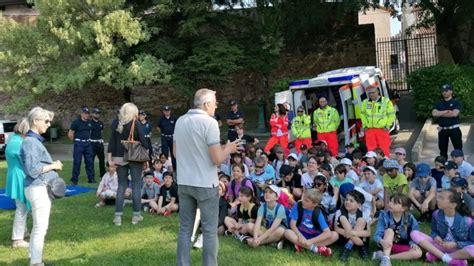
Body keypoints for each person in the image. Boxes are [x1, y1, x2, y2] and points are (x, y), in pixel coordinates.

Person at [174, 88, 239, 266]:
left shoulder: (180, 121)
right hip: (204, 183)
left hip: (184, 181)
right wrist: (229, 148)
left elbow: (175, 152)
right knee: (210, 230)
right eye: (215, 102)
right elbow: (217, 158)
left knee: (185, 228)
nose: (216, 106)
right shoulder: (210, 123)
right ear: (206, 104)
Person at [20, 107, 63, 266]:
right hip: (38, 187)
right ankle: (36, 262)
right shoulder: (31, 142)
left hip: (36, 187)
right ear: (35, 121)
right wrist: (53, 166)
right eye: (46, 121)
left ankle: (33, 257)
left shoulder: (32, 141)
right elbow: (32, 170)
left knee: (38, 227)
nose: (49, 124)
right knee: (40, 228)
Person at [107, 102, 150, 226]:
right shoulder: (135, 124)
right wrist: (147, 158)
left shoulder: (116, 124)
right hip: (134, 157)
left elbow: (111, 142)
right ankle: (136, 216)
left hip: (119, 158)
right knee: (136, 185)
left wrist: (109, 159)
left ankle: (117, 217)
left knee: (121, 185)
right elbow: (144, 142)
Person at [410, 189, 474, 265]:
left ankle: (439, 256)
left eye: (441, 198)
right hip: (440, 246)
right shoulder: (436, 214)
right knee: (414, 233)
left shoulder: (468, 221)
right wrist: (436, 236)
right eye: (438, 197)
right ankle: (447, 258)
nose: (437, 199)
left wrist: (456, 244)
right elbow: (434, 231)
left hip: (459, 249)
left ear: (453, 205)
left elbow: (471, 242)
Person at [284, 189, 337, 256]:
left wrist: (310, 241)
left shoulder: (318, 212)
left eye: (307, 201)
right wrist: (300, 236)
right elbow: (292, 225)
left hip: (314, 236)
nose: (303, 201)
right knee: (287, 232)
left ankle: (302, 246)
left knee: (335, 235)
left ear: (314, 204)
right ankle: (316, 249)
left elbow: (327, 232)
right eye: (304, 198)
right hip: (300, 233)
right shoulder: (298, 205)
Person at [373, 194, 422, 266]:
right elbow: (377, 235)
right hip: (385, 244)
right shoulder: (384, 216)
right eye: (390, 201)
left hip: (401, 245)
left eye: (394, 203)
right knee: (389, 230)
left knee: (418, 253)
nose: (390, 204)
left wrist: (412, 243)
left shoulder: (409, 217)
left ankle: (384, 257)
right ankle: (386, 260)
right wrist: (382, 241)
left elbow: (415, 233)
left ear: (403, 208)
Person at [5, 119, 30, 248]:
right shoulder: (18, 143)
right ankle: (17, 239)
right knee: (21, 207)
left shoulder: (14, 140)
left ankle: (23, 232)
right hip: (19, 176)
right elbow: (27, 163)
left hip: (16, 174)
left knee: (22, 206)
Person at [335, 190, 371, 261]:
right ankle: (360, 246)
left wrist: (352, 233)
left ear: (359, 205)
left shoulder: (364, 214)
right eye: (346, 199)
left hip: (359, 239)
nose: (347, 202)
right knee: (343, 218)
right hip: (344, 239)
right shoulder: (340, 212)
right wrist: (351, 234)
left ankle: (347, 248)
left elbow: (368, 233)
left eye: (351, 201)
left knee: (361, 220)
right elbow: (337, 228)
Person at [360, 84, 395, 157]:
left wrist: (388, 125)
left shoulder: (386, 101)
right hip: (370, 129)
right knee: (371, 149)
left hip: (382, 129)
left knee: (384, 148)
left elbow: (391, 115)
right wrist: (365, 125)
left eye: (373, 92)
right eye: (370, 93)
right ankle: (372, 164)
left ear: (378, 92)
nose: (372, 94)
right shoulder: (365, 102)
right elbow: (363, 115)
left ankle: (385, 163)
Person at [432, 84, 463, 158]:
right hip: (442, 130)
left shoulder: (456, 102)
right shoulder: (438, 103)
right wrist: (447, 111)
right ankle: (444, 168)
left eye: (446, 90)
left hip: (454, 129)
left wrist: (440, 113)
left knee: (458, 150)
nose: (444, 92)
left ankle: (461, 168)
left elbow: (454, 114)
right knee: (442, 151)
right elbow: (434, 113)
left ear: (451, 91)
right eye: (443, 91)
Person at [68, 106, 95, 185]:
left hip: (88, 144)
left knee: (89, 161)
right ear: (81, 114)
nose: (87, 115)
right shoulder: (76, 122)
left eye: (87, 114)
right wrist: (75, 142)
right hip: (79, 144)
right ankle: (74, 179)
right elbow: (70, 133)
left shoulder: (90, 122)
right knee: (77, 162)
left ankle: (91, 178)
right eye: (85, 113)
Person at [90, 107, 106, 177]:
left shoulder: (101, 123)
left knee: (102, 159)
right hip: (92, 143)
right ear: (92, 114)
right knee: (91, 160)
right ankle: (91, 174)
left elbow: (101, 132)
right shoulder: (89, 123)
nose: (97, 115)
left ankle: (102, 174)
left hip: (99, 143)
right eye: (96, 113)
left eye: (98, 113)